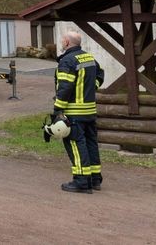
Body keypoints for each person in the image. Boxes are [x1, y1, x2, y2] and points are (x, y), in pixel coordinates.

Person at [52, 30, 104, 193]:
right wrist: (90, 88)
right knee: (90, 144)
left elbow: (65, 87)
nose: (61, 43)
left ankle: (81, 181)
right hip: (89, 111)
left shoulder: (67, 61)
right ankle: (95, 179)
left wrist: (57, 110)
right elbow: (100, 75)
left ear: (67, 43)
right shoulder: (88, 57)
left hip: (74, 112)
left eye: (62, 41)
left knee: (75, 144)